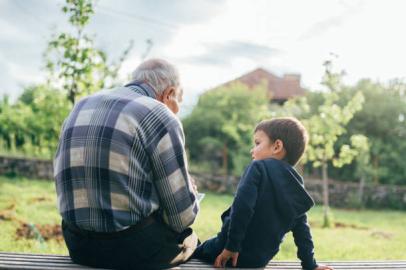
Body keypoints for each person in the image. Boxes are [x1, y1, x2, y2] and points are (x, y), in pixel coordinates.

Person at [54, 59, 200, 269]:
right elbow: (182, 219)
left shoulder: (82, 105)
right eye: (179, 100)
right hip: (132, 250)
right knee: (192, 241)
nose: (176, 110)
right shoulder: (161, 115)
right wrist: (191, 194)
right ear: (169, 93)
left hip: (77, 245)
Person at [194, 118, 333, 270]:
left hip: (228, 251)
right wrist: (310, 264)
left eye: (258, 143)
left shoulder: (258, 168)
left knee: (195, 248)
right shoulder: (296, 181)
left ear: (277, 146)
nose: (252, 150)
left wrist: (232, 247)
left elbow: (242, 208)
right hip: (258, 261)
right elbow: (302, 228)